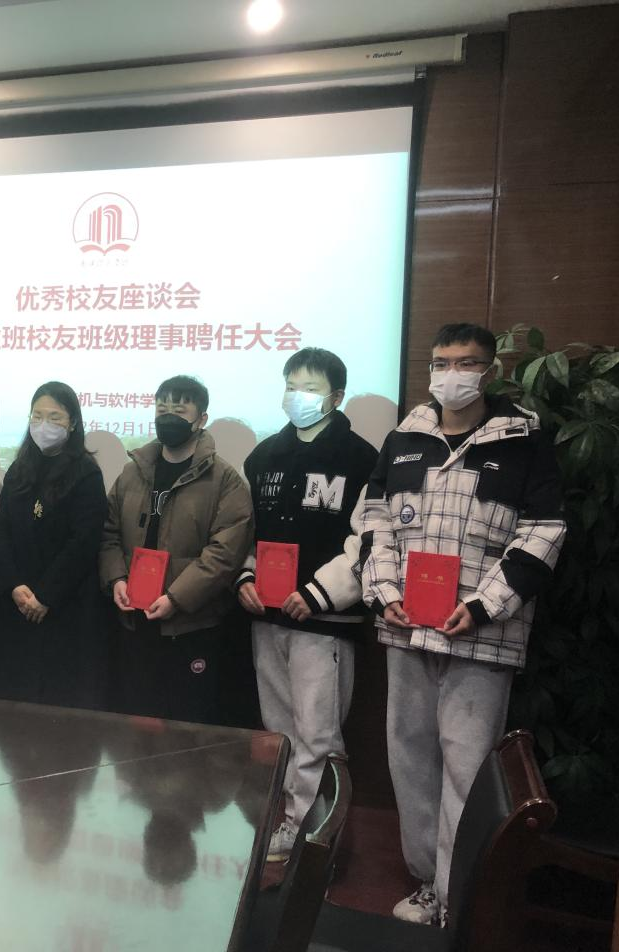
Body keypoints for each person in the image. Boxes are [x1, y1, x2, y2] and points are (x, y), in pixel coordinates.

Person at [361, 323, 566, 925]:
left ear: (490, 370)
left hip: (482, 635)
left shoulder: (524, 440)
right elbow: (374, 521)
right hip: (406, 627)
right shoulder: (405, 437)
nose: (452, 374)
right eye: (441, 362)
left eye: (467, 363)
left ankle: (459, 897)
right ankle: (428, 883)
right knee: (409, 758)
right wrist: (384, 592)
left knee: (468, 769)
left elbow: (545, 532)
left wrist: (482, 605)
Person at [236, 347, 377, 862]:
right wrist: (246, 577)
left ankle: (318, 842)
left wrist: (320, 593)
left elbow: (368, 541)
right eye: (291, 385)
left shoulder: (362, 459)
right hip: (268, 614)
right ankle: (289, 823)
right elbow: (250, 532)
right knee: (280, 730)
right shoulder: (263, 457)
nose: (298, 396)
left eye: (311, 388)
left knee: (319, 734)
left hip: (325, 619)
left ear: (336, 396)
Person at [99, 375, 254, 724]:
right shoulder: (132, 472)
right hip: (135, 620)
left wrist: (176, 598)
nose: (168, 417)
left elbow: (224, 553)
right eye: (162, 409)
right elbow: (108, 534)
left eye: (180, 411)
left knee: (186, 724)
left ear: (201, 419)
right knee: (135, 718)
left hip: (190, 625)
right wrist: (117, 579)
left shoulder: (225, 480)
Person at [0, 382, 108, 710]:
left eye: (54, 417)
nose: (44, 425)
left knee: (58, 700)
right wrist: (14, 584)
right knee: (13, 700)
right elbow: (1, 529)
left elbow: (83, 542)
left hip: (64, 606)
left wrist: (46, 595)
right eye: (37, 416)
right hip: (19, 601)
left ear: (73, 422)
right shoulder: (18, 469)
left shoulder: (86, 473)